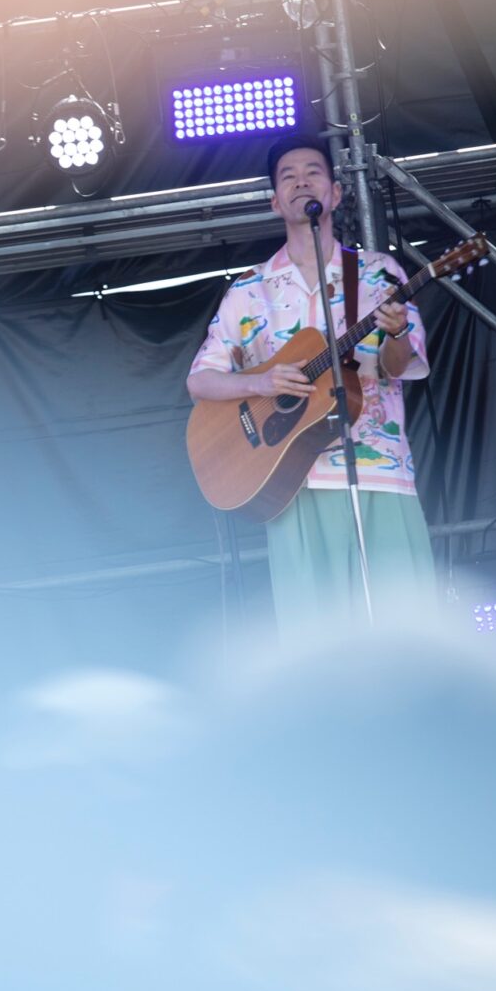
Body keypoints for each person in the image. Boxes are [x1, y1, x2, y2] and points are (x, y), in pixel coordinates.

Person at [186, 133, 436, 629]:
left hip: (380, 469)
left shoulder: (377, 273)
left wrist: (396, 332)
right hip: (292, 480)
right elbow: (201, 382)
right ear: (275, 201)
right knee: (316, 638)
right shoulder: (248, 290)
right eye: (289, 177)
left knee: (406, 629)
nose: (302, 182)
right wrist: (260, 385)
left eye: (313, 172)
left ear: (336, 193)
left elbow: (399, 366)